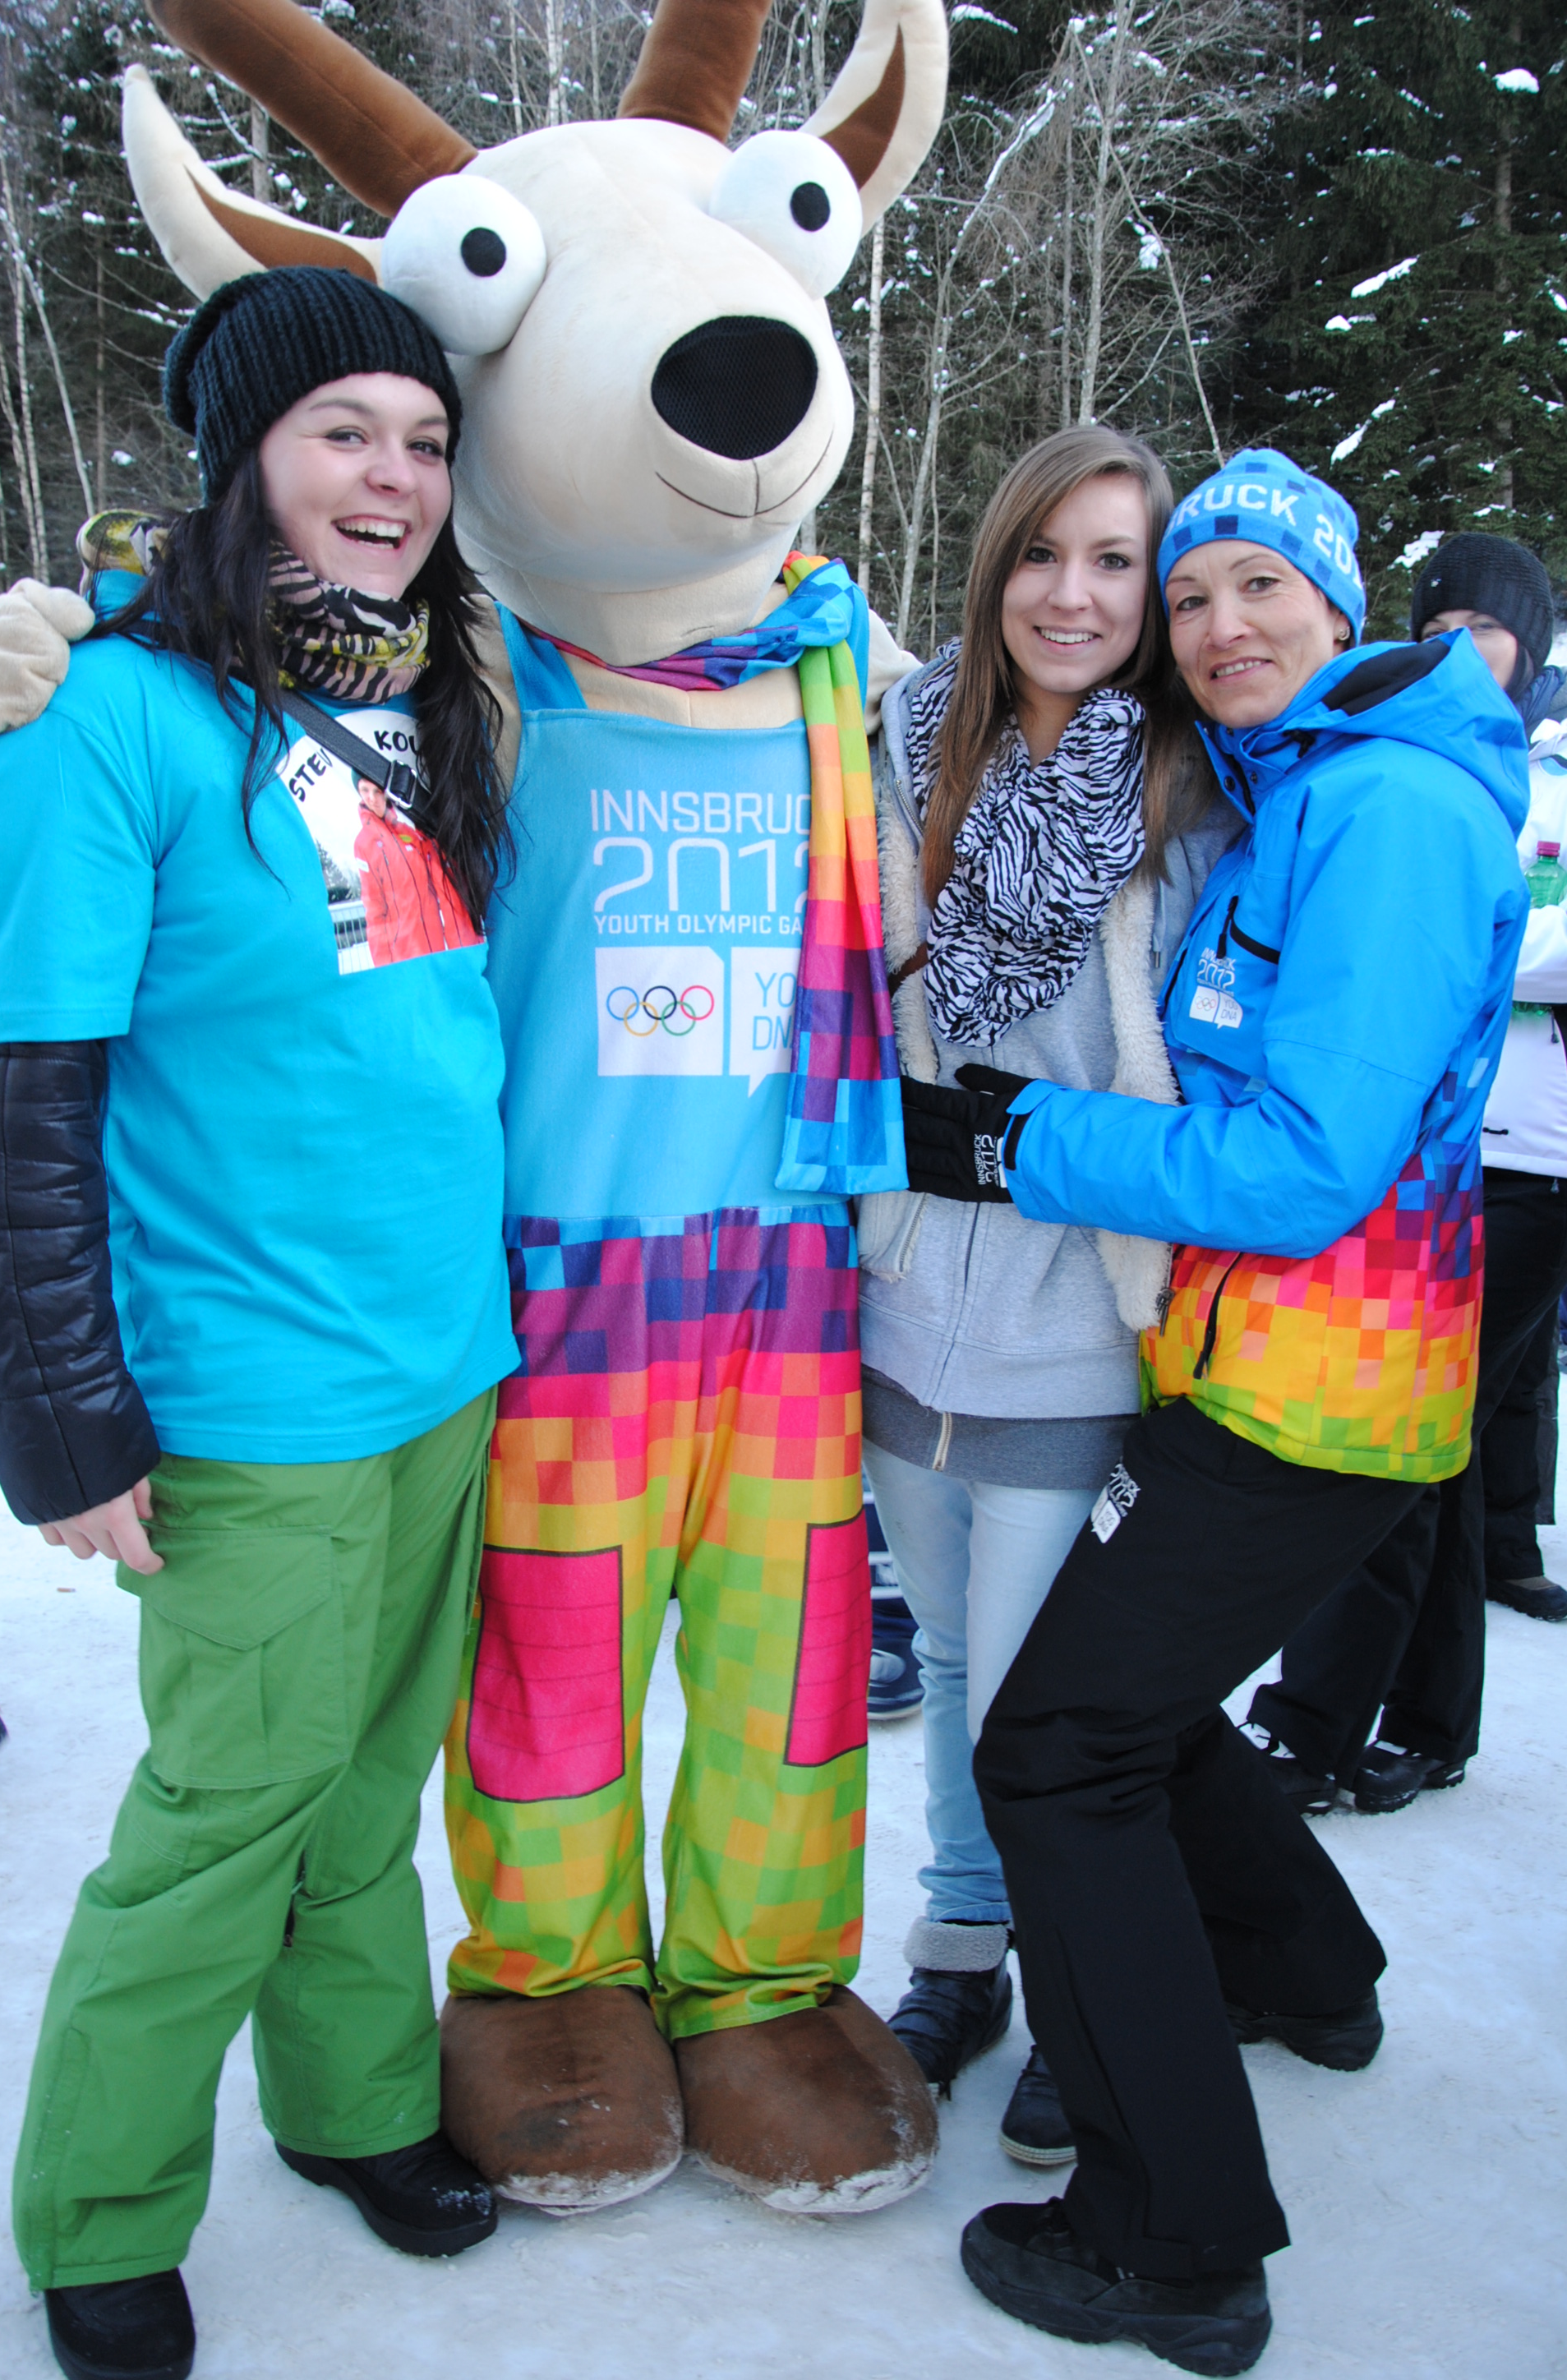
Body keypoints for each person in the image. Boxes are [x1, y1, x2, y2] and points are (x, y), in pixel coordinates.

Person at [900, 449, 1528, 2373]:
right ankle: (1306, 1969)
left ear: (1343, 605)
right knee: (1134, 1708)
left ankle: (1171, 2238)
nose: (1220, 623)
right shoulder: (1301, 788)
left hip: (1315, 1400)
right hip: (1266, 1377)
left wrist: (1010, 1140)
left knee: (1055, 1746)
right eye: (1194, 595)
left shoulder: (1389, 810)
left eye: (1261, 585)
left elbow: (1301, 1167)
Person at [0, 267, 519, 2380]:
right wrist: (57, 1412)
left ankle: (357, 2101)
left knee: (368, 1782)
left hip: (442, 1362)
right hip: (248, 1386)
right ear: (242, 458)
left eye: (424, 439)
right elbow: (19, 1087)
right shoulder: (105, 716)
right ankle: (101, 2208)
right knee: (227, 1812)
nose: (395, 478)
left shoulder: (423, 693)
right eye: (342, 432)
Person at [859, 426, 1236, 2160]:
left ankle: (1090, 1988)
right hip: (903, 1306)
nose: (1070, 595)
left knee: (1042, 1701)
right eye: (1041, 552)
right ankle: (962, 1948)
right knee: (948, 1661)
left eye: (1113, 562)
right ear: (994, 561)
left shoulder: (1187, 792)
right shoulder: (902, 744)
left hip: (1078, 1322)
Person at [1245, 531, 1567, 1819]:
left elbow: (1507, 940)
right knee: (1438, 1450)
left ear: (1529, 642)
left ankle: (1326, 1726)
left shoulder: (1525, 776)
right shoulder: (1414, 764)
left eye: (1482, 629)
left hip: (1530, 1168)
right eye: (1434, 628)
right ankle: (1425, 1719)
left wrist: (1477, 936)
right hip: (1448, 1159)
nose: (1456, 651)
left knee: (1401, 1453)